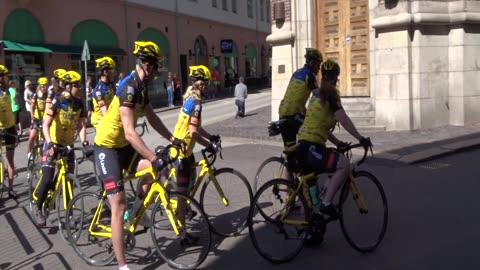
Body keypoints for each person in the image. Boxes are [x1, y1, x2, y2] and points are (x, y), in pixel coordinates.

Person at [94, 41, 182, 270]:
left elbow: (151, 117)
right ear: (146, 65)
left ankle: (137, 214)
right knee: (119, 204)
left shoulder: (142, 88)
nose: (157, 70)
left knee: (156, 171)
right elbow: (131, 133)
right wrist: (154, 156)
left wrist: (173, 139)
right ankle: (123, 266)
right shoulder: (129, 88)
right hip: (107, 148)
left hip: (123, 148)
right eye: (155, 65)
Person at [296, 60, 373, 219]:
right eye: (336, 78)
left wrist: (338, 143)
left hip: (303, 146)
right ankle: (327, 204)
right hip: (312, 148)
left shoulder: (316, 94)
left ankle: (310, 232)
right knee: (343, 164)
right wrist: (361, 138)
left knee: (310, 195)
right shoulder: (330, 95)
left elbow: (322, 127)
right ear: (335, 79)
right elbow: (343, 120)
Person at [170, 64, 219, 243]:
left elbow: (196, 127)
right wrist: (208, 145)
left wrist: (211, 137)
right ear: (200, 84)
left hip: (185, 150)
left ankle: (183, 207)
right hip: (182, 152)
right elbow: (192, 133)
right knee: (183, 195)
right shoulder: (196, 103)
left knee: (191, 180)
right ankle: (182, 233)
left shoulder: (189, 99)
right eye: (205, 83)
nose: (207, 86)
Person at [34, 70, 88, 227]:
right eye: (77, 85)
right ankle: (39, 208)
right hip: (53, 144)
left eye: (81, 84)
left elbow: (82, 125)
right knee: (47, 177)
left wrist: (84, 142)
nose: (80, 88)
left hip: (68, 146)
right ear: (69, 86)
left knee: (68, 181)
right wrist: (50, 143)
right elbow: (46, 125)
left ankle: (69, 214)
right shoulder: (57, 100)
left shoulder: (79, 103)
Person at [278, 48, 322, 150]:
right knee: (314, 130)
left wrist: (306, 113)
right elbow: (317, 97)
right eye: (318, 65)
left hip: (282, 113)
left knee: (290, 149)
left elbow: (296, 98)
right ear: (312, 63)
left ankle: (288, 163)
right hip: (292, 115)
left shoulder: (297, 72)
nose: (319, 68)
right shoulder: (309, 76)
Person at [0, 65, 18, 199]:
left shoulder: (11, 91)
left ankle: (10, 189)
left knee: (10, 160)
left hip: (10, 128)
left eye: (3, 75)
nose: (1, 78)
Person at [91, 56, 116, 129]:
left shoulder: (111, 85)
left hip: (109, 118)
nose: (114, 73)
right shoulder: (99, 90)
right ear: (105, 72)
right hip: (100, 121)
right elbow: (103, 110)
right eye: (112, 70)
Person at [27, 77, 49, 157]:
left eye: (46, 86)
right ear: (40, 86)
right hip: (36, 118)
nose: (44, 88)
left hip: (45, 119)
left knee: (45, 138)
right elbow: (32, 106)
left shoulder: (49, 95)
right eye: (43, 86)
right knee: (32, 137)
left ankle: (44, 154)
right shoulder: (36, 95)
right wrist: (32, 117)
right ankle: (30, 153)